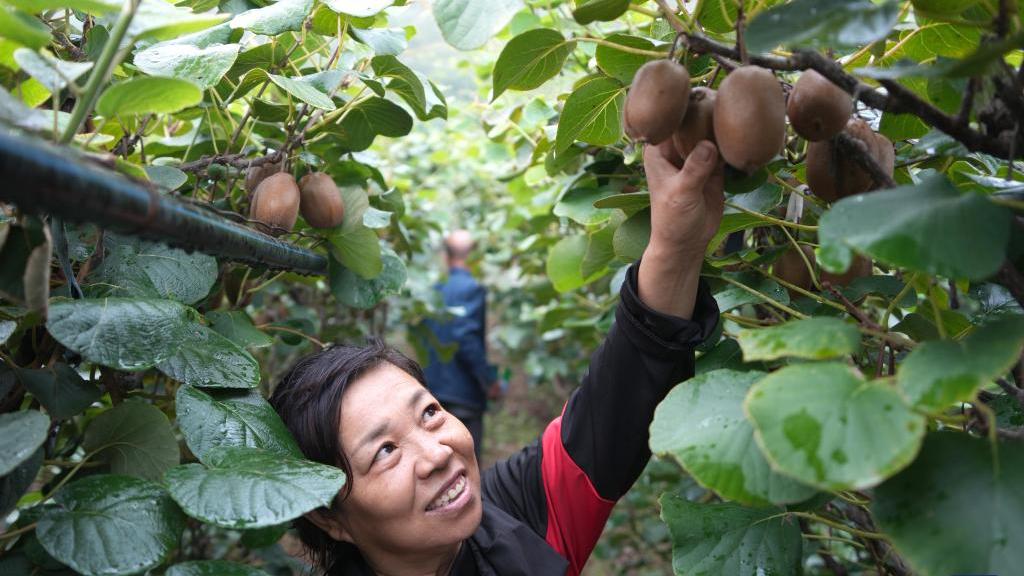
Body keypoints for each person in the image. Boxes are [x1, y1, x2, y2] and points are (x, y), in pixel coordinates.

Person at [268, 139, 724, 576]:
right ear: (330, 520)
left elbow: (619, 398)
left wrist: (675, 245)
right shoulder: (468, 291)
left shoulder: (522, 521)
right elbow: (470, 343)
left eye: (428, 413)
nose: (437, 453)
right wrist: (485, 378)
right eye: (385, 451)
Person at [420, 230, 496, 460]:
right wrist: (488, 381)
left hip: (434, 392)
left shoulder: (432, 291)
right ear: (475, 258)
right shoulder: (472, 289)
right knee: (467, 460)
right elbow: (465, 340)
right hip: (464, 394)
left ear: (446, 257)